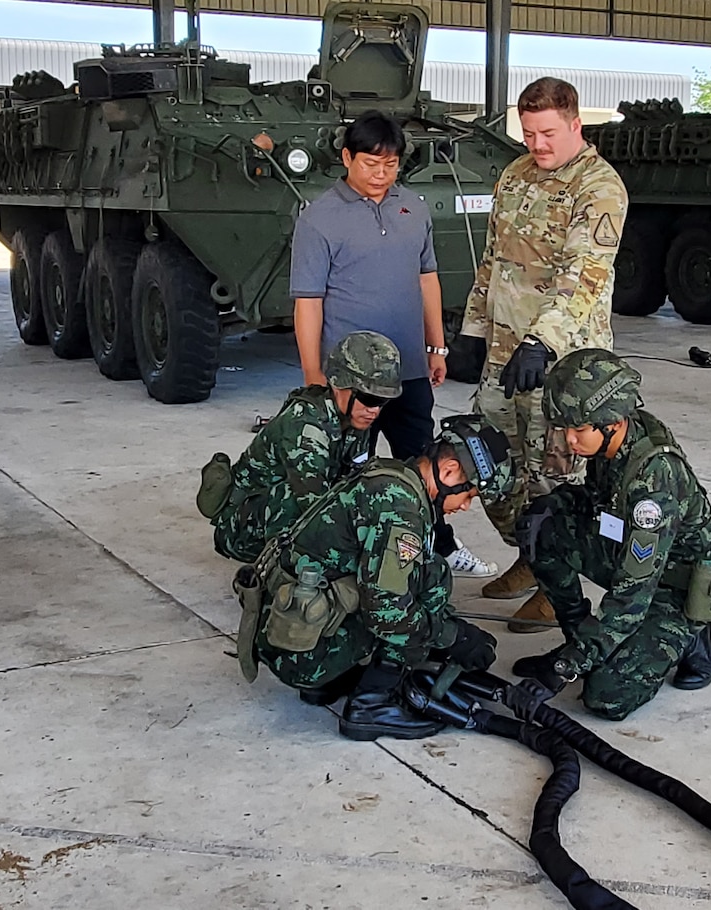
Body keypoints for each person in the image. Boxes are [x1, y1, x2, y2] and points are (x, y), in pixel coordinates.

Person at [290, 110, 498, 580]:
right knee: (345, 472)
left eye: (391, 165)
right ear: (346, 157)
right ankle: (342, 564)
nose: (381, 175)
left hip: (408, 370)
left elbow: (427, 278)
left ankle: (438, 547)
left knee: (426, 465)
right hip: (352, 381)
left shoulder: (413, 208)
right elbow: (308, 302)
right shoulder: (320, 218)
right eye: (370, 164)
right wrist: (313, 377)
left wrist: (437, 346)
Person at [460, 76, 629, 633]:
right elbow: (493, 259)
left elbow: (582, 278)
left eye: (548, 133)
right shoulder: (515, 174)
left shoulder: (599, 188)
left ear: (576, 124)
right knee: (491, 462)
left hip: (562, 363)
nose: (537, 145)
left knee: (556, 475)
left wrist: (541, 341)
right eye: (528, 133)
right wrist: (474, 328)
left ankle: (560, 588)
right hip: (504, 354)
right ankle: (531, 557)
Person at [237, 415, 514, 741]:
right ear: (450, 470)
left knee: (416, 580)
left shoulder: (392, 475)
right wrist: (454, 636)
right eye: (469, 495)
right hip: (302, 654)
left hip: (287, 635)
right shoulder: (401, 512)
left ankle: (325, 683)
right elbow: (390, 616)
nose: (466, 506)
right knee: (432, 578)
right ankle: (372, 706)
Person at [508, 349, 711, 721]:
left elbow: (632, 596)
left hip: (678, 589)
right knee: (541, 523)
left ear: (612, 422)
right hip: (635, 557)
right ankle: (580, 638)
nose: (569, 440)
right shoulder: (613, 444)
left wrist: (565, 670)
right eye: (565, 427)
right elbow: (601, 505)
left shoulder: (653, 480)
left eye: (578, 429)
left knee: (606, 696)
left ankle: (691, 636)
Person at [205, 332, 400, 562]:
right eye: (369, 398)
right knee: (298, 502)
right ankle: (281, 570)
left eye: (382, 401)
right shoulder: (305, 428)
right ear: (339, 385)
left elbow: (356, 484)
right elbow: (314, 509)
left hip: (274, 512)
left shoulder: (355, 419)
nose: (375, 410)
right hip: (240, 530)